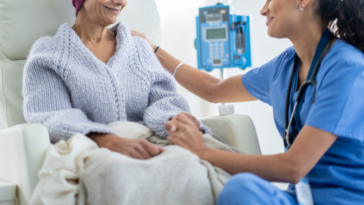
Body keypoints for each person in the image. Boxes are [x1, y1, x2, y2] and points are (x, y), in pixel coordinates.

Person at [132, 0, 364, 204]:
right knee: (240, 189)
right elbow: (214, 89)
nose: (263, 10)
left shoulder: (348, 68)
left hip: (344, 199)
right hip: (297, 198)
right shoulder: (285, 66)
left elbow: (294, 167)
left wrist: (201, 151)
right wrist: (154, 50)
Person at [22, 0, 202, 160]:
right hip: (94, 151)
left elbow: (164, 99)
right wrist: (107, 140)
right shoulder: (49, 53)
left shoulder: (138, 47)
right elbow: (50, 113)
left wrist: (173, 120)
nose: (120, 2)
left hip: (155, 143)